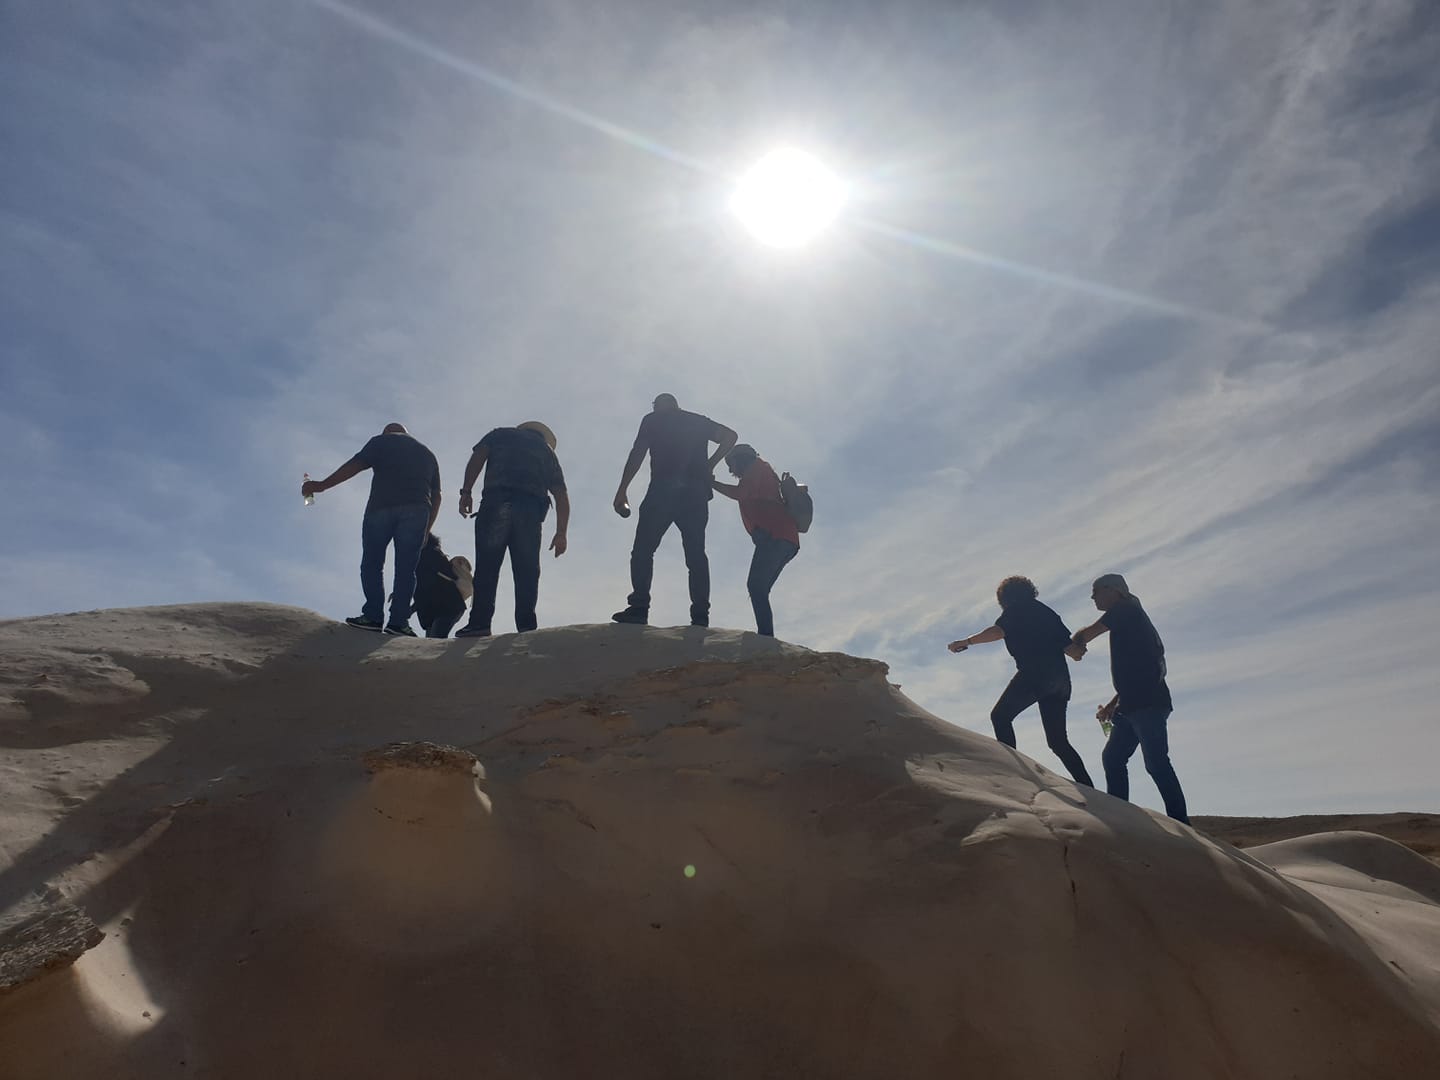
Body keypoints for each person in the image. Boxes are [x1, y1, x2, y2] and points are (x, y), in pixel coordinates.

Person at [947, 576, 1093, 785]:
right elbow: (1072, 652)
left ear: (1005, 598)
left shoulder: (1016, 611)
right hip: (1060, 680)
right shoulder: (1046, 612)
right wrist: (1080, 648)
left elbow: (997, 632)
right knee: (1058, 742)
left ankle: (1014, 776)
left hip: (1035, 675)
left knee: (1000, 717)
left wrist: (966, 642)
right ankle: (1087, 785)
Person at [1066, 573, 1188, 823]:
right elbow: (1138, 670)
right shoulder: (1130, 616)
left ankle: (1180, 822)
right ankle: (1120, 816)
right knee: (1113, 758)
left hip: (1148, 704)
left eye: (1096, 591)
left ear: (1114, 591)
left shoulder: (1124, 609)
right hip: (1131, 704)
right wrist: (1113, 705)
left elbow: (1088, 633)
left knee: (1156, 764)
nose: (1092, 597)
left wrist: (1075, 646)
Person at [302, 422, 440, 636]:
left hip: (381, 508)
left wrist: (320, 486)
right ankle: (399, 623)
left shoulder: (381, 442)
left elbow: (355, 465)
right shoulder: (428, 454)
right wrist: (427, 529)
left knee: (372, 563)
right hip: (417, 510)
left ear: (386, 432)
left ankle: (373, 617)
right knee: (406, 569)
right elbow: (437, 495)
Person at [611, 393, 736, 627]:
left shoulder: (652, 420)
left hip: (663, 491)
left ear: (659, 406)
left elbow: (638, 452)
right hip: (696, 494)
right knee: (696, 555)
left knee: (642, 550)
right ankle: (700, 616)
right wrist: (709, 464)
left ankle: (639, 608)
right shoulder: (698, 421)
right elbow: (730, 437)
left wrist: (622, 489)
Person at [454, 421, 569, 637]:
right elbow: (561, 494)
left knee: (487, 567)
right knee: (527, 571)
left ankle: (479, 624)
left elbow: (478, 456)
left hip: (496, 503)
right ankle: (526, 627)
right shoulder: (548, 454)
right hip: (530, 512)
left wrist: (466, 491)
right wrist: (561, 532)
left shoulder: (500, 435)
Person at [711, 444, 799, 637]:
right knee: (760, 588)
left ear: (741, 459)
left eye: (731, 464)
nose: (730, 470)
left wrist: (712, 484)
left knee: (756, 587)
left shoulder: (756, 468)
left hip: (775, 536)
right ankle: (766, 635)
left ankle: (765, 637)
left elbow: (740, 494)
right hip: (783, 538)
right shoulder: (761, 471)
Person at [411, 534, 471, 639]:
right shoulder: (432, 554)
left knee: (433, 643)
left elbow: (427, 588)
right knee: (432, 644)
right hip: (441, 609)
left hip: (446, 607)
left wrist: (410, 609)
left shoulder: (427, 555)